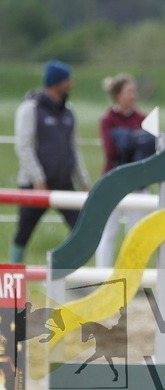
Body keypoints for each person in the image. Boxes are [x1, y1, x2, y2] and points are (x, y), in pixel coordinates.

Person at [10, 60, 91, 264]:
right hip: (34, 184)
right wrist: (38, 179)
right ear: (57, 83)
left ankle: (75, 279)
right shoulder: (30, 108)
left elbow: (74, 149)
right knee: (23, 232)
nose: (71, 84)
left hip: (63, 182)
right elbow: (24, 146)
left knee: (80, 230)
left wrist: (83, 182)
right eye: (68, 80)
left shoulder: (68, 111)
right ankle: (11, 281)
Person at [97, 73, 155, 268]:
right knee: (109, 232)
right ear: (117, 94)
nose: (133, 96)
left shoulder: (144, 118)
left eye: (134, 91)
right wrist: (137, 141)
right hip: (112, 180)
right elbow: (111, 151)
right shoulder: (108, 119)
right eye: (129, 92)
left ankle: (133, 279)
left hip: (137, 182)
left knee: (136, 233)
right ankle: (102, 277)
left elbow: (151, 151)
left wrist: (125, 139)